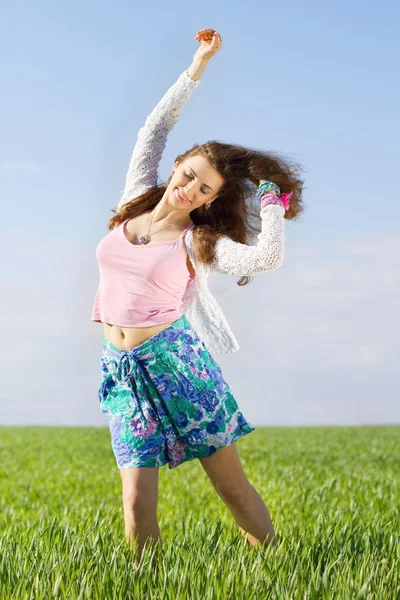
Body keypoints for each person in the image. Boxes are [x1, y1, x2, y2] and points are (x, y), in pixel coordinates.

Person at [92, 28, 305, 568]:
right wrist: (198, 65)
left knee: (231, 488)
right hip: (122, 370)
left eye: (203, 189)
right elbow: (155, 128)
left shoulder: (200, 242)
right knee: (136, 499)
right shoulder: (133, 198)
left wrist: (273, 200)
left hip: (179, 366)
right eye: (187, 175)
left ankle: (280, 570)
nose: (188, 189)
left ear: (211, 200)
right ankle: (149, 584)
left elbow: (265, 259)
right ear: (176, 168)